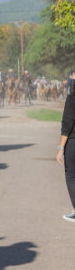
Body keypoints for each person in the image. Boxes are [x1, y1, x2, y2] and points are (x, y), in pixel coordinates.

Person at [57, 88, 75, 222]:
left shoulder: (72, 98)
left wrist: (60, 147)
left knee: (71, 176)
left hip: (73, 141)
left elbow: (67, 123)